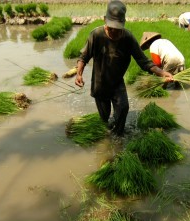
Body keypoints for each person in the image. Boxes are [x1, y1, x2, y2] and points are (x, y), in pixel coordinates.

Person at [74, 0, 173, 137]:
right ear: (105, 20)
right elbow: (83, 57)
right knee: (104, 118)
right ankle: (106, 140)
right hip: (100, 83)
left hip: (117, 83)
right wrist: (79, 74)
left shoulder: (128, 38)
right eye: (111, 28)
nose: (114, 32)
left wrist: (162, 73)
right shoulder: (96, 35)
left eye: (118, 28)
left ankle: (118, 140)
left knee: (123, 108)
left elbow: (144, 62)